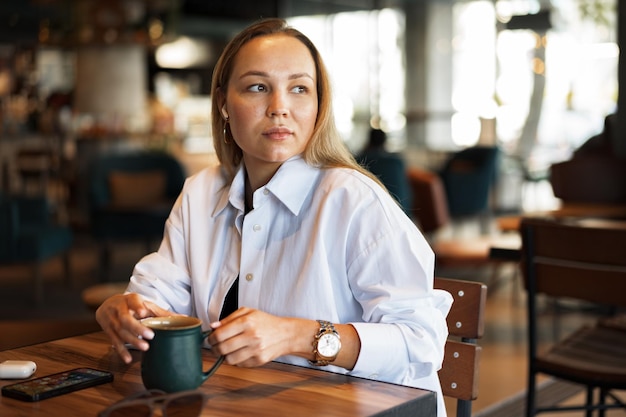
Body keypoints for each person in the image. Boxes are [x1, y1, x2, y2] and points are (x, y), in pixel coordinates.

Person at [96, 18, 452, 417]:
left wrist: (296, 335)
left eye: (299, 88)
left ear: (319, 106)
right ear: (223, 104)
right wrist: (127, 312)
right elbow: (156, 301)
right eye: (257, 87)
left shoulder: (355, 201)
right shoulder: (200, 193)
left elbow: (421, 341)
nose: (280, 107)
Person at [357, 127, 412, 214]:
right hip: (401, 213)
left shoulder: (360, 161)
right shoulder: (396, 162)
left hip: (370, 214)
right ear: (385, 141)